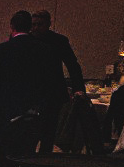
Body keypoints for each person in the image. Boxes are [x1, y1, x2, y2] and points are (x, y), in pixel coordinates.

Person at [0, 10, 61, 133]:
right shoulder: (44, 49)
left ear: (12, 26)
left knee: (5, 147)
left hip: (7, 108)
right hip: (33, 109)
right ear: (30, 27)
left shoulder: (1, 49)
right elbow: (48, 81)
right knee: (28, 148)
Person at [30, 10, 84, 152]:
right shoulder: (28, 40)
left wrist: (78, 88)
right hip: (33, 91)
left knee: (49, 131)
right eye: (33, 24)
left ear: (48, 24)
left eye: (39, 24)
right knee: (33, 131)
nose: (35, 28)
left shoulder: (59, 41)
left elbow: (73, 65)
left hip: (52, 91)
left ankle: (44, 159)